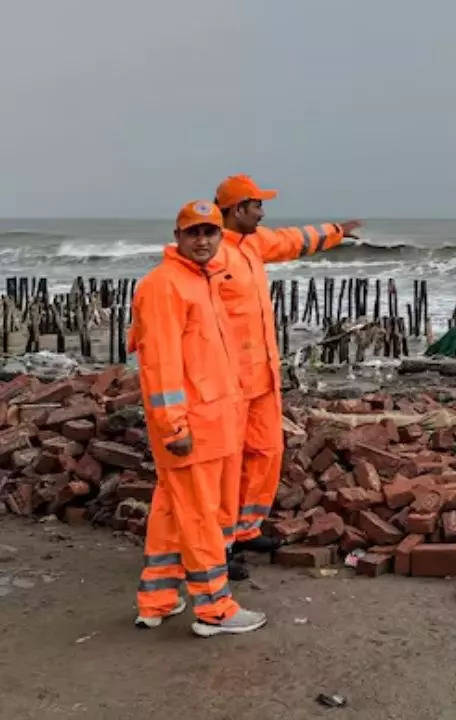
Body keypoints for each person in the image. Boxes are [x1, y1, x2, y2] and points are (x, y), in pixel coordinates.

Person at [214, 174, 361, 578]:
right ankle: (218, 547)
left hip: (261, 374)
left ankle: (245, 529)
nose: (263, 213)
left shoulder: (252, 244)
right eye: (257, 206)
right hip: (226, 379)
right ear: (238, 209)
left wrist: (335, 231)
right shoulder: (212, 253)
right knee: (227, 463)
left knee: (265, 451)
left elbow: (293, 240)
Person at [131, 201, 266, 637]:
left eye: (211, 232)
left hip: (214, 422)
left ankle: (157, 600)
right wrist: (174, 427)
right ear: (178, 236)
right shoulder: (165, 286)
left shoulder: (202, 281)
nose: (204, 240)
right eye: (194, 233)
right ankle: (215, 610)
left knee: (174, 511)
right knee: (201, 517)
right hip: (192, 429)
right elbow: (160, 367)